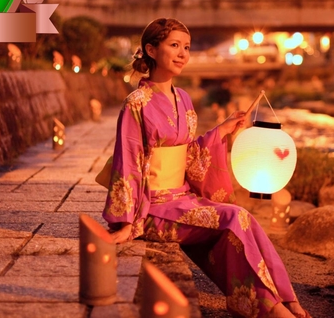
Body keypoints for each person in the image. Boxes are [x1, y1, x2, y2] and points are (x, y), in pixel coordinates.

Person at [102, 18, 310, 318]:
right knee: (234, 217)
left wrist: (223, 130)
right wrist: (124, 222)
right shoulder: (136, 103)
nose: (182, 53)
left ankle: (282, 299)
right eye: (174, 45)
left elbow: (189, 155)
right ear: (150, 49)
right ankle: (273, 308)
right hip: (153, 208)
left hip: (182, 198)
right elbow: (128, 161)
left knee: (245, 221)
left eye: (186, 47)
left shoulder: (183, 98)